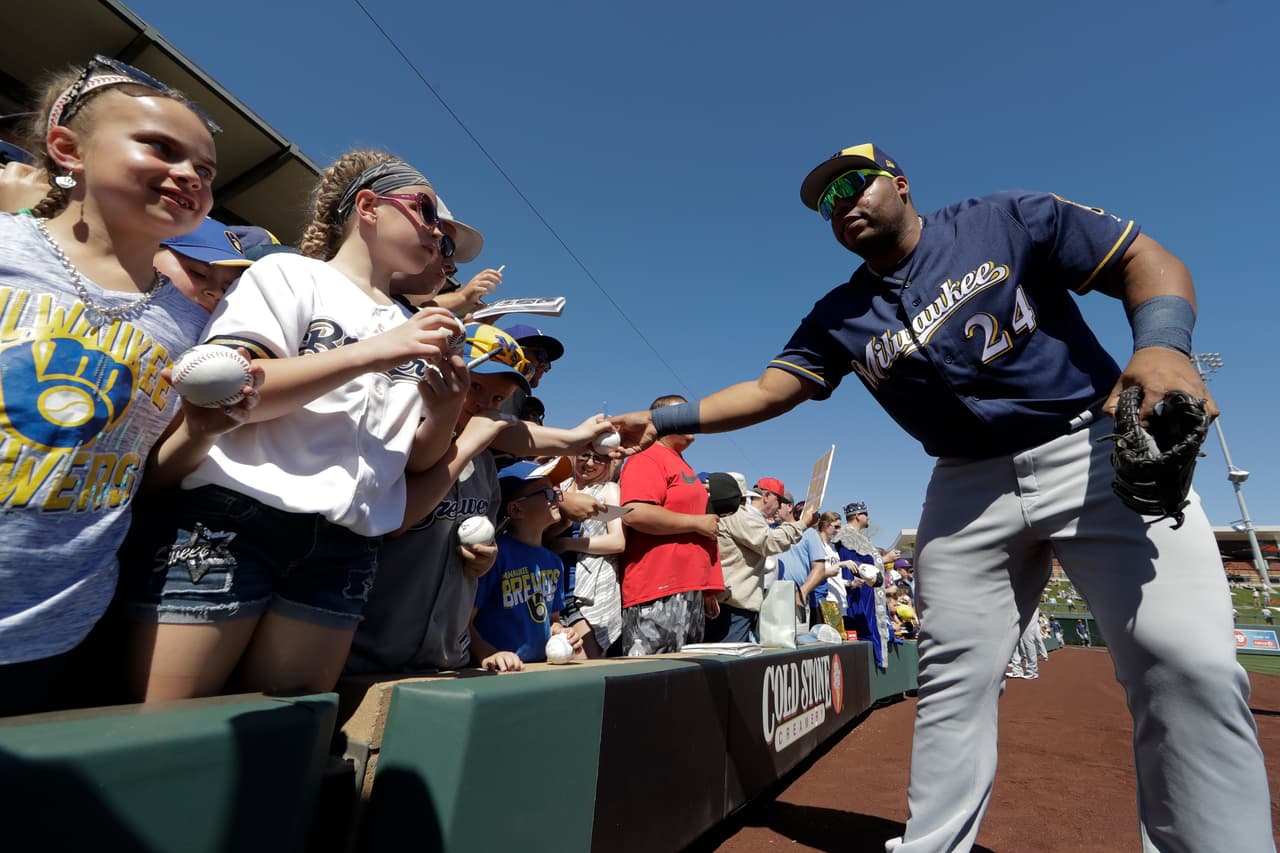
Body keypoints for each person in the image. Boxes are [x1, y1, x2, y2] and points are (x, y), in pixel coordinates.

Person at [610, 142, 1272, 850]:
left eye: (855, 186)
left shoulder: (1007, 217)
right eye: (829, 204)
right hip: (966, 484)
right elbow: (773, 389)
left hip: (1089, 443)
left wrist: (1164, 344)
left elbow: (1148, 258)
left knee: (1188, 666)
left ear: (899, 183)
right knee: (951, 684)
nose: (843, 206)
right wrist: (667, 418)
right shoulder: (841, 312)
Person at [124, 151, 467, 701]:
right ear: (369, 206)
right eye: (426, 211)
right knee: (164, 726)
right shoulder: (287, 273)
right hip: (235, 521)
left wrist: (447, 409)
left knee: (286, 729)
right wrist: (377, 352)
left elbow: (416, 463)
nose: (437, 235)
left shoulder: (410, 323)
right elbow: (230, 389)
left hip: (347, 543)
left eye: (445, 237)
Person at [0, 57, 261, 716]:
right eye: (161, 149)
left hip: (56, 631)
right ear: (68, 148)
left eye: (204, 171)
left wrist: (200, 434)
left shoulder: (187, 328)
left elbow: (146, 475)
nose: (189, 175)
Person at [616, 394, 723, 655]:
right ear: (664, 421)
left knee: (682, 684)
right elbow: (635, 513)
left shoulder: (680, 462)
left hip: (689, 590)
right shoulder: (647, 457)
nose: (692, 420)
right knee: (652, 683)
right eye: (683, 413)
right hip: (657, 588)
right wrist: (697, 523)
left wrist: (706, 590)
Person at [471, 460, 584, 672]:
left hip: (538, 670)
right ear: (516, 509)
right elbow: (463, 623)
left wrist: (561, 632)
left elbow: (552, 621)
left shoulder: (554, 562)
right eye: (546, 493)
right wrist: (487, 653)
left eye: (555, 492)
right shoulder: (494, 555)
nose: (556, 498)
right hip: (499, 673)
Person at [705, 474, 810, 643]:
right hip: (733, 607)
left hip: (733, 602)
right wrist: (803, 523)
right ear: (767, 496)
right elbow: (770, 542)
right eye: (779, 500)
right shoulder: (738, 515)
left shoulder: (738, 516)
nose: (779, 507)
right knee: (728, 661)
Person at [548, 449, 625, 656]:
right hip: (553, 587)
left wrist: (567, 544)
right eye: (584, 455)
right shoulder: (559, 487)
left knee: (586, 659)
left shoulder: (608, 490)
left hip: (590, 591)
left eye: (598, 459)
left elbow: (617, 541)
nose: (589, 463)